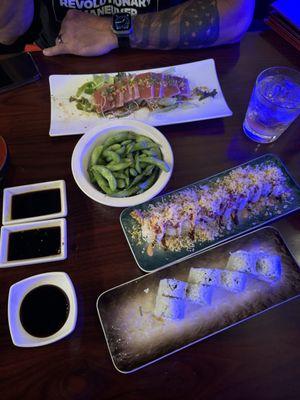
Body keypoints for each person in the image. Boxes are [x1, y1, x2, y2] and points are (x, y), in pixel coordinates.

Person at [0, 0, 255, 56]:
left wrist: (112, 30)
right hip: (60, 68)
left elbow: (235, 17)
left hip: (172, 59)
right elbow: (11, 29)